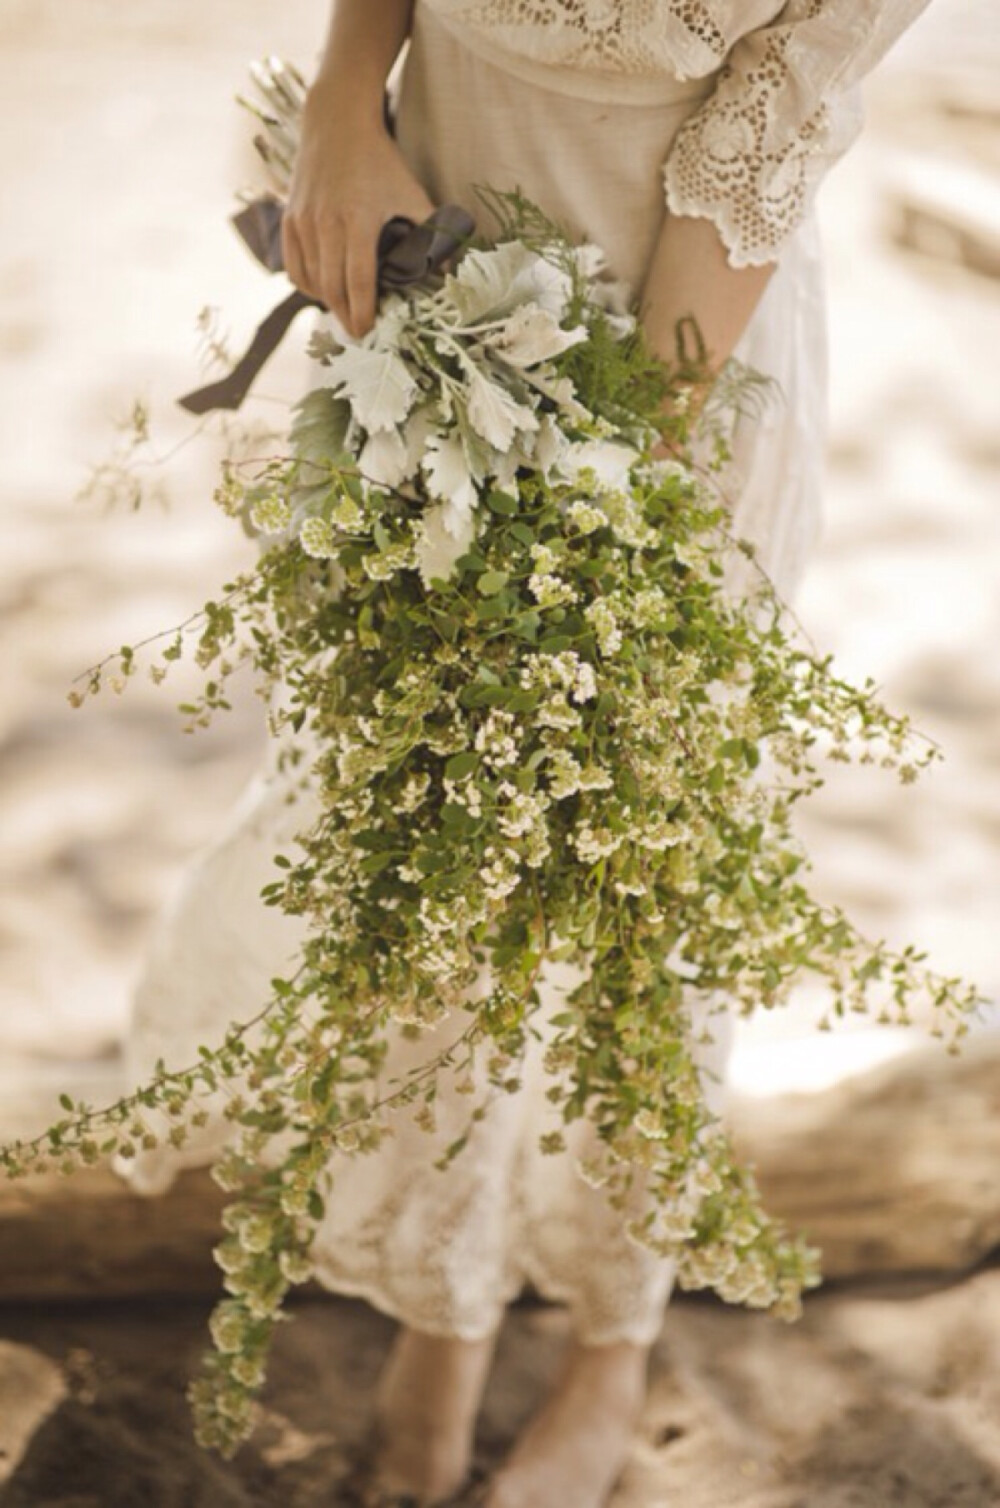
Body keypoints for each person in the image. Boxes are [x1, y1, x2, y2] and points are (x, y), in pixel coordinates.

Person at [120, 2, 933, 1504]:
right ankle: (444, 1317)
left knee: (638, 861)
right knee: (413, 832)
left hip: (680, 353)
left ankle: (608, 1345)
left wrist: (607, 480)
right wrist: (341, 112)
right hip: (422, 234)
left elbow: (762, 142)